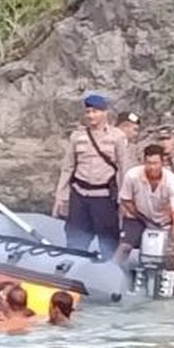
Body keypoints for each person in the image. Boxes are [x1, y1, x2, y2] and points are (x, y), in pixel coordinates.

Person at [53, 93, 131, 259]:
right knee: (75, 239)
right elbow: (68, 167)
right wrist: (60, 196)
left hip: (103, 197)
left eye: (95, 111)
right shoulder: (77, 137)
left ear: (104, 113)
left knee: (108, 240)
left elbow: (124, 169)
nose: (91, 115)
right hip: (79, 195)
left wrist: (124, 200)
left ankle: (106, 275)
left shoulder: (117, 137)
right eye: (88, 112)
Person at [118, 144, 174, 257]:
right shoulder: (132, 176)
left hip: (163, 222)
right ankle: (113, 272)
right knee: (124, 248)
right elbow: (126, 200)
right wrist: (140, 216)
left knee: (168, 253)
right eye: (148, 163)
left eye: (155, 163)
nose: (152, 167)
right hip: (138, 218)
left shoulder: (172, 182)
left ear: (162, 163)